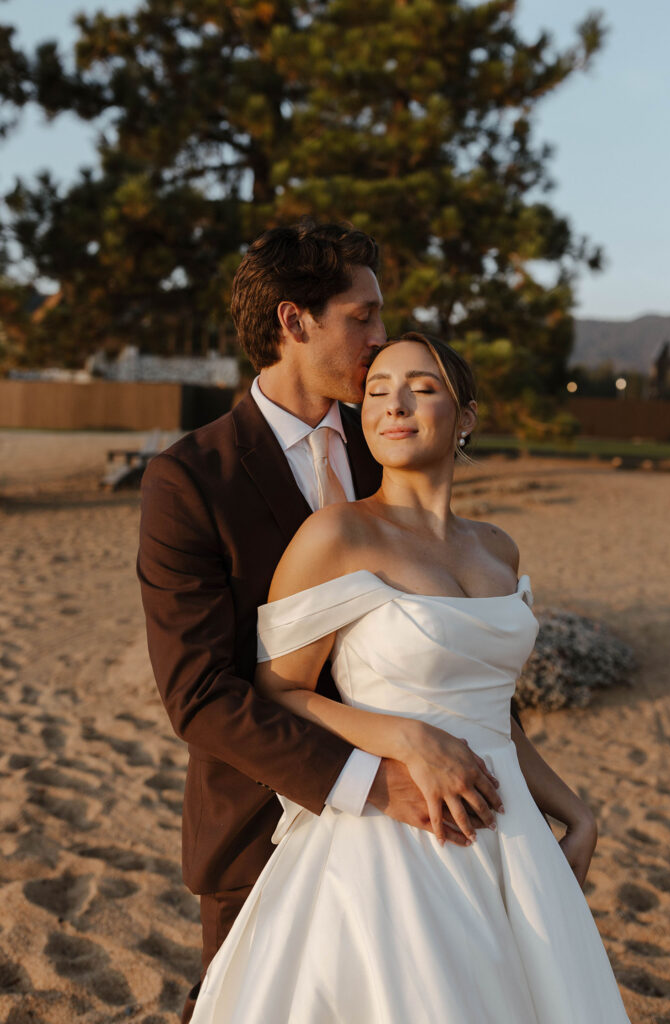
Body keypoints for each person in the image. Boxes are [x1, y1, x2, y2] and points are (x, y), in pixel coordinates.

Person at [189, 333, 631, 1023]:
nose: (394, 404)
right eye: (376, 390)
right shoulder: (336, 536)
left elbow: (493, 718)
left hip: (509, 831)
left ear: (466, 417)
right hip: (395, 828)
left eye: (422, 388)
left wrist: (574, 813)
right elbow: (278, 691)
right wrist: (402, 737)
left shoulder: (495, 548)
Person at [137, 224, 510, 1023]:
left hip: (440, 821)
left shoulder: (390, 443)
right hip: (264, 828)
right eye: (363, 317)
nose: (381, 344)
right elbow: (199, 694)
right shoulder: (190, 481)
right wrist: (373, 781)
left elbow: (445, 623)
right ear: (292, 321)